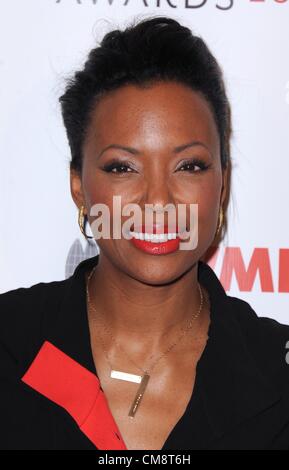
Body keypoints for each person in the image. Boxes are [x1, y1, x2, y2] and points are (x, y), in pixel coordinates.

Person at [1, 15, 289, 451]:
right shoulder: (10, 342)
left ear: (222, 184)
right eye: (123, 167)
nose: (158, 202)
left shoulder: (276, 370)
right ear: (79, 186)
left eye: (189, 165)